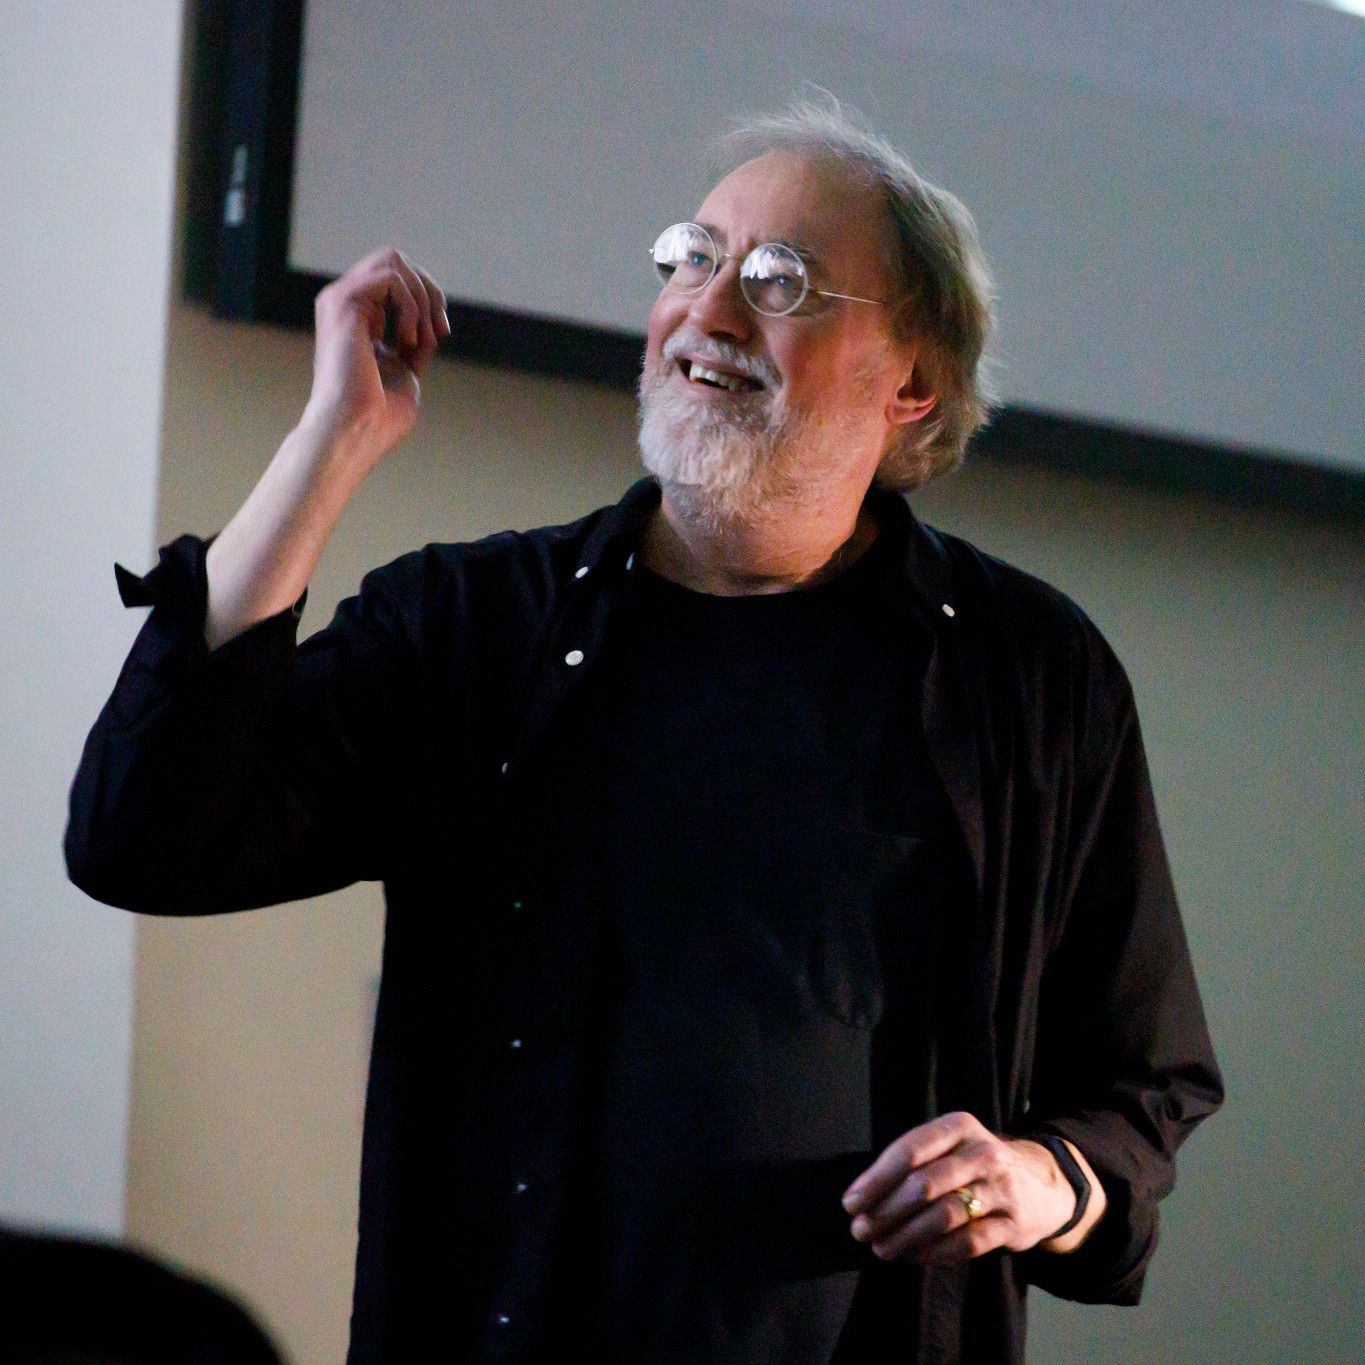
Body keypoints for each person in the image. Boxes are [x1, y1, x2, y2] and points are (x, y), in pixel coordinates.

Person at [66, 99, 1223, 1363]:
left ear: (913, 384)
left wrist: (1047, 1180)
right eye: (693, 256)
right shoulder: (476, 631)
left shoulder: (1029, 677)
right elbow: (144, 832)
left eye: (783, 281)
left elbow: (1142, 1079)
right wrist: (328, 444)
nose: (709, 311)